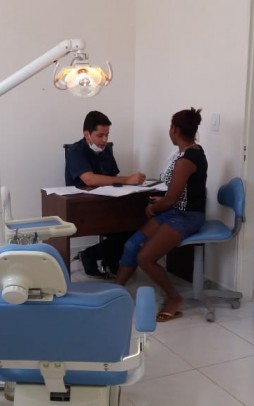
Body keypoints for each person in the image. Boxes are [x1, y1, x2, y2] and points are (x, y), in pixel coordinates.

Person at [115, 107, 207, 322]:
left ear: (175, 130)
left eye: (170, 127)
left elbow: (171, 199)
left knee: (145, 257)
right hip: (176, 211)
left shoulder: (186, 160)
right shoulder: (193, 151)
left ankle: (174, 298)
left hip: (188, 216)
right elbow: (178, 194)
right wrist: (163, 202)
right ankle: (115, 293)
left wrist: (153, 208)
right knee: (131, 245)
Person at [65, 111, 145, 278]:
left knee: (135, 223)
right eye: (100, 135)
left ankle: (105, 260)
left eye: (107, 135)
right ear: (87, 134)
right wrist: (127, 179)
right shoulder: (75, 151)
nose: (104, 140)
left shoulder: (106, 150)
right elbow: (89, 179)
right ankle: (91, 255)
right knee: (124, 226)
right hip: (83, 208)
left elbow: (113, 177)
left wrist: (132, 183)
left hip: (108, 203)